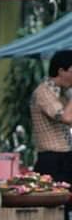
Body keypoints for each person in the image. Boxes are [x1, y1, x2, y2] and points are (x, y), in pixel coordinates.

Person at [30, 50, 72, 185]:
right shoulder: (43, 92)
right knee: (55, 203)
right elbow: (66, 118)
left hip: (66, 157)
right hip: (52, 160)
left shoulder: (63, 94)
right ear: (61, 71)